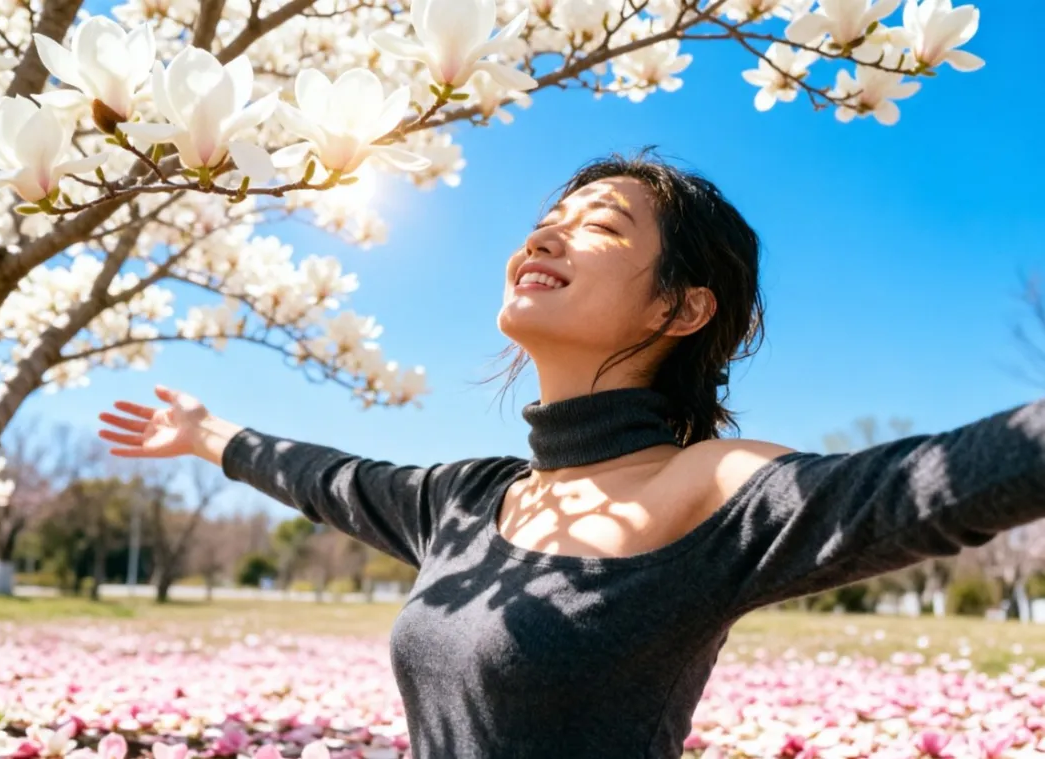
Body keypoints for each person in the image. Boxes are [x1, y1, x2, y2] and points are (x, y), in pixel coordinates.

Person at [98, 151, 1045, 759]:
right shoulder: (465, 499)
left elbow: (933, 483)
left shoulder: (703, 487)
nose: (544, 233)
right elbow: (332, 480)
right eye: (550, 215)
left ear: (680, 307)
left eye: (601, 225)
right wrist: (210, 436)